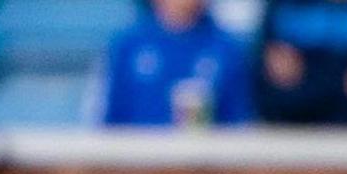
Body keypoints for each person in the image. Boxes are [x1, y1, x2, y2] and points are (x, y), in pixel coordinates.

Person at [99, 0, 251, 127]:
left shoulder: (226, 49)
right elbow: (108, 119)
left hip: (204, 159)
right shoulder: (127, 45)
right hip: (138, 158)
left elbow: (238, 121)